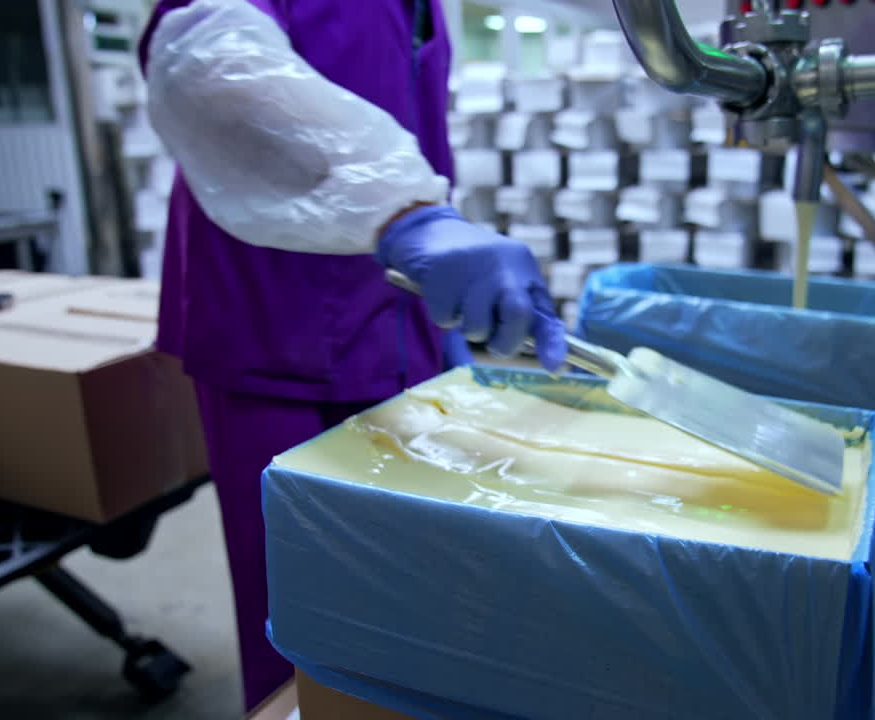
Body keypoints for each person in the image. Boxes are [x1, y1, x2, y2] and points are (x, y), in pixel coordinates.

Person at [137, 0, 567, 709]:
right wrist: (408, 212)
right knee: (301, 623)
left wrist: (442, 325)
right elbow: (208, 62)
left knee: (406, 590)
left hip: (395, 321)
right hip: (271, 329)